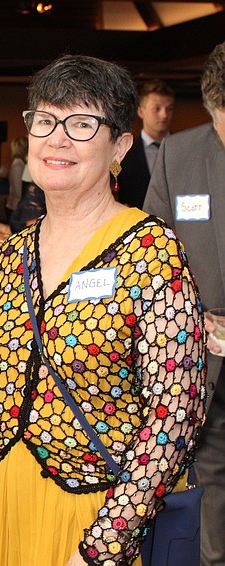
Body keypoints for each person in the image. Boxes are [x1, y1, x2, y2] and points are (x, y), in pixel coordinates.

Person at [0, 54, 206, 565]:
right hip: (11, 500)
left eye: (82, 123)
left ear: (120, 145)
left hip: (103, 516)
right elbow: (0, 389)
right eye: (45, 120)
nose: (58, 138)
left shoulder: (151, 250)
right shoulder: (16, 251)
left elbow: (176, 414)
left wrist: (104, 547)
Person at [144, 40, 225, 566]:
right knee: (212, 484)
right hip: (208, 365)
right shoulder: (180, 155)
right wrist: (191, 314)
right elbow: (153, 258)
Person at [116, 80, 175, 209]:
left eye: (169, 109)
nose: (164, 115)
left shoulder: (185, 149)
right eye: (157, 109)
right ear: (141, 111)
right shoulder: (124, 152)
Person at [5, 136, 27, 215]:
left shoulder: (19, 163)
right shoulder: (18, 165)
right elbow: (18, 190)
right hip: (16, 206)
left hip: (16, 205)